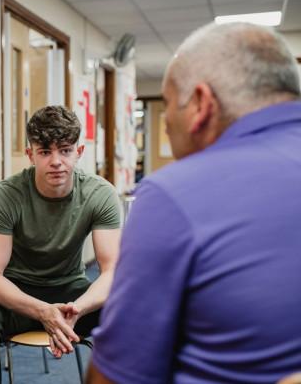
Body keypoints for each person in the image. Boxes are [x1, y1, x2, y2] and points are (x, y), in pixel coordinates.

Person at [87, 22, 301, 384]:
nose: (167, 125)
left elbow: (116, 376)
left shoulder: (173, 193)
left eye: (169, 105)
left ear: (201, 104)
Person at [0, 105, 121, 384]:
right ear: (30, 155)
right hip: (16, 291)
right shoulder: (6, 194)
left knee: (123, 311)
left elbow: (111, 273)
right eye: (45, 151)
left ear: (79, 152)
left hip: (70, 290)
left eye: (65, 150)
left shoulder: (100, 194)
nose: (56, 161)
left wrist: (78, 309)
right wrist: (42, 311)